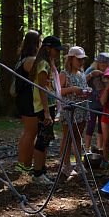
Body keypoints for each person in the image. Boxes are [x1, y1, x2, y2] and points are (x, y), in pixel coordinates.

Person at [30, 35, 64, 184]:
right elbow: (41, 88)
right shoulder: (43, 64)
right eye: (56, 50)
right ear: (48, 48)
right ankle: (37, 173)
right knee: (42, 139)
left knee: (46, 139)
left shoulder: (47, 63)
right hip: (43, 107)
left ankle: (42, 170)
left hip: (48, 106)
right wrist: (45, 112)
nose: (58, 53)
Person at [59, 46, 90, 177]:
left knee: (78, 136)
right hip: (69, 110)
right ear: (71, 59)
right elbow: (59, 91)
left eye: (82, 59)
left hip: (81, 109)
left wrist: (87, 91)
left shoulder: (82, 73)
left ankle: (78, 163)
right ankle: (65, 164)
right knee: (68, 138)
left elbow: (83, 88)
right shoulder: (64, 74)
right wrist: (72, 89)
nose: (81, 62)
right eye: (79, 59)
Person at [14, 30, 42, 173]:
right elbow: (40, 77)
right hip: (28, 100)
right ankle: (24, 164)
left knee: (28, 132)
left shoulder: (22, 58)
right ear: (36, 43)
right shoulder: (30, 60)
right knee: (31, 132)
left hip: (24, 99)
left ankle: (23, 163)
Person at [84, 52, 109, 153]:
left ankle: (99, 148)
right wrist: (91, 75)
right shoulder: (91, 70)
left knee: (102, 126)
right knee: (90, 125)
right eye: (102, 65)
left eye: (106, 65)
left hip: (104, 103)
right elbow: (82, 80)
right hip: (92, 103)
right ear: (97, 63)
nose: (104, 67)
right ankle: (87, 149)